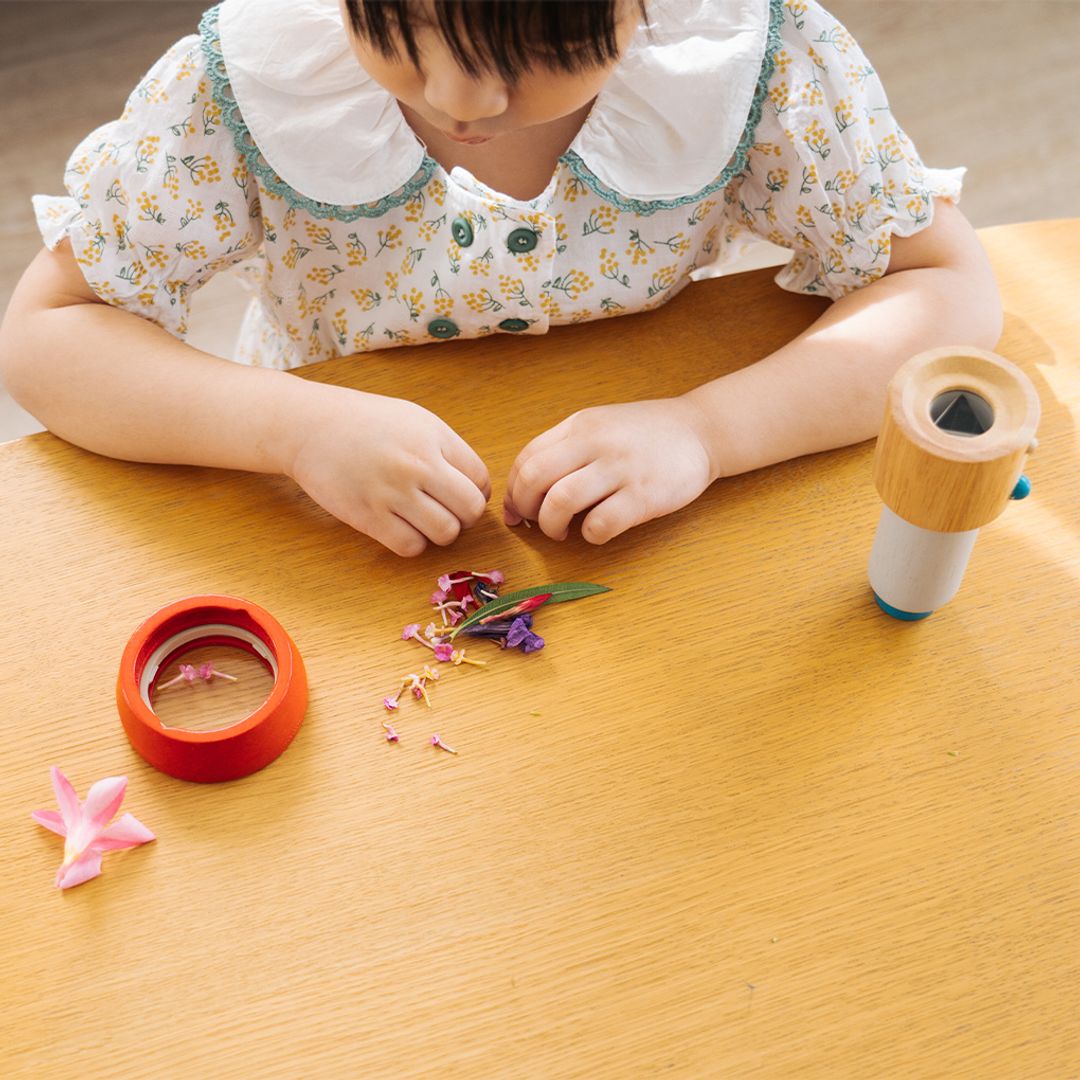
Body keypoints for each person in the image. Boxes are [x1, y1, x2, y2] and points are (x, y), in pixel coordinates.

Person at [0, 0, 1001, 556]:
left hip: (646, 487)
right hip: (331, 499)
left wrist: (710, 431)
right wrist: (290, 429)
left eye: (543, 47)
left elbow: (946, 290)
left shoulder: (749, 61)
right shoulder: (249, 82)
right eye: (398, 28)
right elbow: (49, 335)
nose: (460, 97)